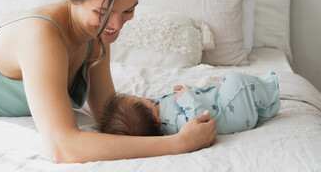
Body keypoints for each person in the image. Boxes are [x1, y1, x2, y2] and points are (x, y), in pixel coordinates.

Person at [0, 0, 217, 163]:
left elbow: (108, 115)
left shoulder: (93, 34)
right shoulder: (40, 36)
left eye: (128, 11)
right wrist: (177, 144)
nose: (116, 25)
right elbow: (64, 148)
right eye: (102, 12)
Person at [100, 71, 280, 136]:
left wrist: (184, 93)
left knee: (230, 88)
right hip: (230, 116)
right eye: (141, 102)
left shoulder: (159, 113)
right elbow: (199, 121)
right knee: (236, 81)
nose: (144, 99)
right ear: (155, 123)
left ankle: (262, 111)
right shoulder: (172, 124)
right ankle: (271, 94)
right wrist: (188, 98)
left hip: (224, 108)